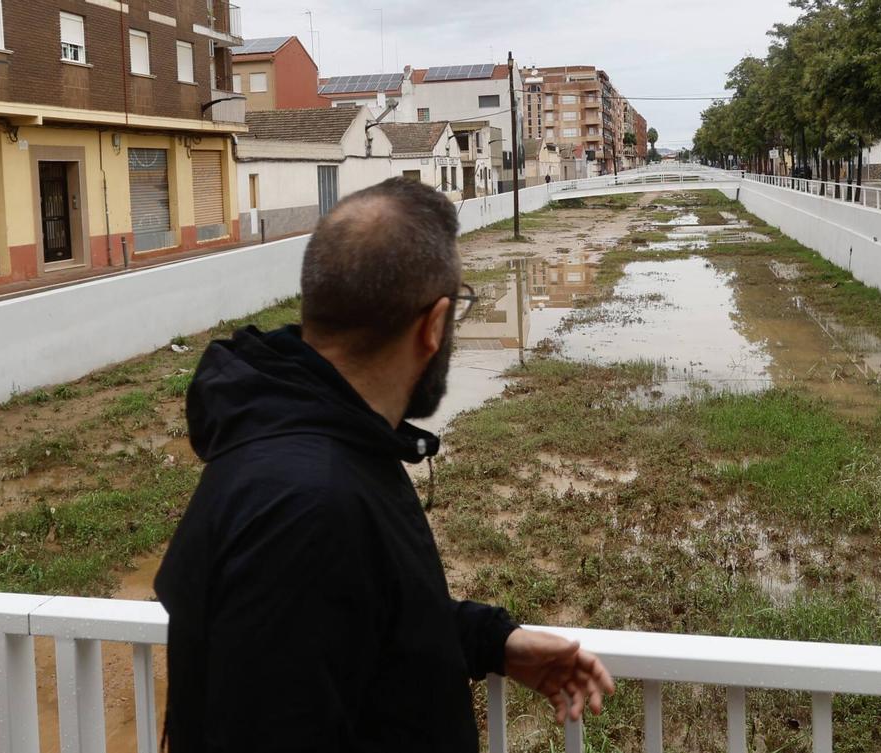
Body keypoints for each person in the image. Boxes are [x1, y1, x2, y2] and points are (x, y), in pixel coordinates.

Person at [154, 177, 615, 752]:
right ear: (434, 325)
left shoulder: (313, 444)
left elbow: (346, 623)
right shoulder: (308, 504)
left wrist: (487, 641)